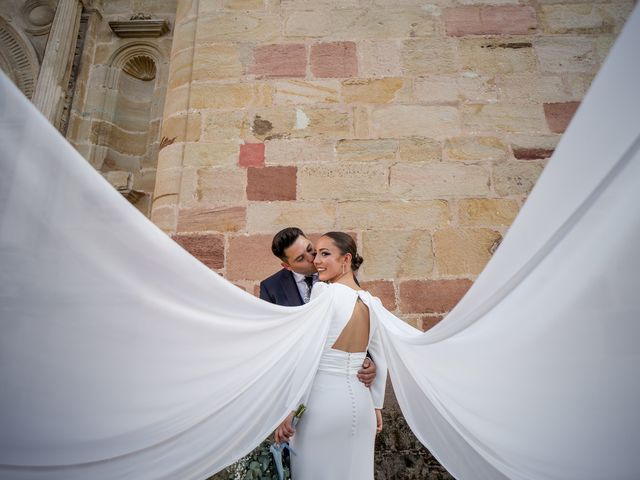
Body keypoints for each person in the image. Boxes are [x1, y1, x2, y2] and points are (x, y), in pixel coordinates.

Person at [274, 232, 388, 480]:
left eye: (325, 254)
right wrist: (377, 405)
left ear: (346, 259)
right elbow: (381, 357)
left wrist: (292, 408)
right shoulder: (373, 302)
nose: (317, 261)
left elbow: (309, 356)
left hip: (323, 405)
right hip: (362, 405)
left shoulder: (324, 293)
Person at [260, 227, 376, 387]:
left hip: (341, 376)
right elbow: (272, 338)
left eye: (310, 249)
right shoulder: (271, 287)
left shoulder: (339, 274)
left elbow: (357, 319)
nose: (313, 259)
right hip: (296, 377)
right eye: (301, 258)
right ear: (287, 266)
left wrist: (367, 359)